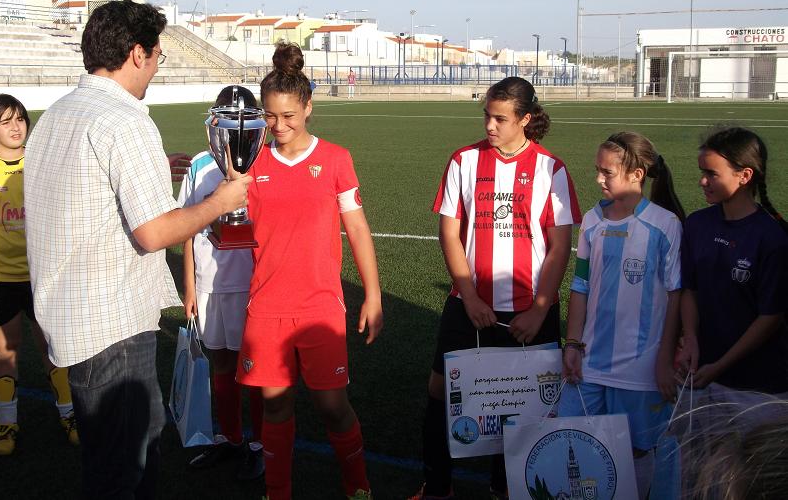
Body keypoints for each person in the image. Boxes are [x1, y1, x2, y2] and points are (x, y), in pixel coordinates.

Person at [24, 0, 251, 498]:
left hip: (71, 317)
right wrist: (221, 201)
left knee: (126, 448)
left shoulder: (57, 114)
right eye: (156, 56)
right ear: (135, 54)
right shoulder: (124, 120)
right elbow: (154, 233)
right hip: (112, 323)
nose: (155, 66)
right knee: (122, 468)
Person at [413, 76, 581, 499]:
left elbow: (560, 247)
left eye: (500, 118)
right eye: (487, 115)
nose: (489, 125)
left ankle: (506, 488)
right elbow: (449, 233)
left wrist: (541, 310)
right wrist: (468, 296)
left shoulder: (551, 168)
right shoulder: (463, 161)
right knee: (441, 390)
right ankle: (438, 487)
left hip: (528, 311)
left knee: (524, 405)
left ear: (525, 119)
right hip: (467, 304)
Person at [236, 42, 382, 500]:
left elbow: (357, 228)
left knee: (332, 404)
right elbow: (227, 217)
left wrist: (373, 296)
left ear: (308, 108)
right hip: (267, 305)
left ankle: (356, 485)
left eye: (289, 116)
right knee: (274, 406)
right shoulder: (250, 159)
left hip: (320, 305)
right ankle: (277, 491)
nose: (279, 126)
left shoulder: (336, 158)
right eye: (270, 116)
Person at [559, 132, 685, 499]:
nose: (599, 179)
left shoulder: (665, 225)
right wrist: (572, 344)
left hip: (641, 368)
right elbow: (580, 287)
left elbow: (677, 296)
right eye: (597, 170)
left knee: (639, 452)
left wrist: (663, 360)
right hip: (590, 361)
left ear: (637, 174)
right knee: (574, 440)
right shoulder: (593, 221)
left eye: (607, 172)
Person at [0, 93, 77, 456]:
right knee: (4, 352)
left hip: (45, 274)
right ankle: (6, 425)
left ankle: (69, 415)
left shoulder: (45, 163)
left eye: (19, 118)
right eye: (5, 121)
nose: (15, 127)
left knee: (54, 348)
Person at [180, 85, 264, 479]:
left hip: (254, 284)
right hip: (211, 282)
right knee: (222, 365)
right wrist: (190, 287)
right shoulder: (200, 164)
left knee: (258, 369)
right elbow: (187, 227)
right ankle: (230, 439)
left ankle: (261, 445)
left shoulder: (267, 160)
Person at [678, 127, 788, 394]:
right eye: (702, 172)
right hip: (701, 372)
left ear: (745, 176)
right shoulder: (697, 224)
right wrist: (690, 337)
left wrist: (720, 366)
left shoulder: (772, 237)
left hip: (757, 384)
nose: (702, 181)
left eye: (712, 174)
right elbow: (689, 289)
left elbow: (770, 316)